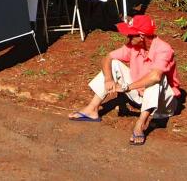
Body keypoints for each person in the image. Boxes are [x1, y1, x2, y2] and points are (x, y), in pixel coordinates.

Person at [67, 14, 180, 146]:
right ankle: (92, 109)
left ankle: (141, 123)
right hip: (139, 95)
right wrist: (108, 79)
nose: (128, 37)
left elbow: (155, 77)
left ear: (141, 36)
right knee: (114, 63)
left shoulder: (163, 49)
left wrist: (126, 87)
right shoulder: (133, 46)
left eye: (131, 35)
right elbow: (108, 58)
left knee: (156, 78)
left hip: (162, 104)